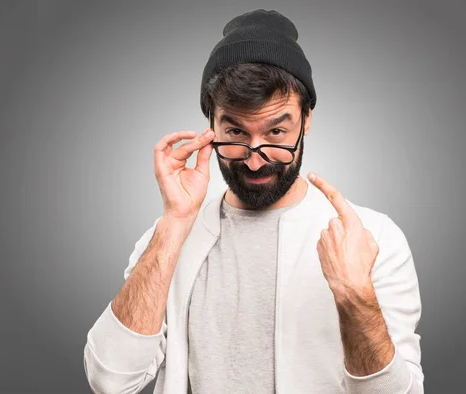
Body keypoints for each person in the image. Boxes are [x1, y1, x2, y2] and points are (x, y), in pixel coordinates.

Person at [83, 9, 424, 394]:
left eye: (277, 131)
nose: (255, 157)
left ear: (306, 119)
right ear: (210, 125)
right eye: (235, 132)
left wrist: (356, 298)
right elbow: (110, 380)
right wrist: (175, 223)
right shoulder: (167, 240)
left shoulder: (371, 239)